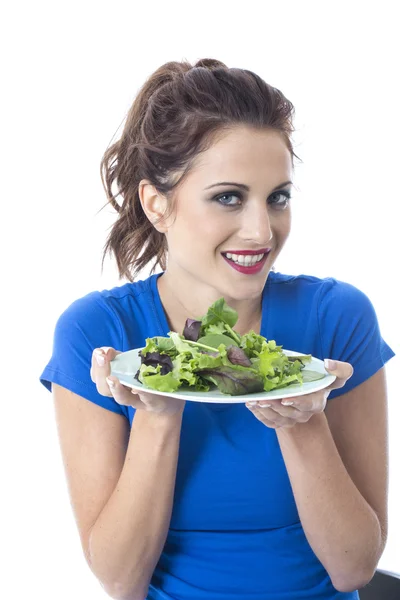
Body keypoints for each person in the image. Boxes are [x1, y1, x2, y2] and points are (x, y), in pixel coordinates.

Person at [40, 58, 395, 600]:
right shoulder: (98, 332)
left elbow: (354, 571)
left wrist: (301, 418)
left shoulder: (336, 317)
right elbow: (121, 581)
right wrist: (157, 416)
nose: (261, 230)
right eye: (228, 197)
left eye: (278, 197)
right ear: (157, 204)